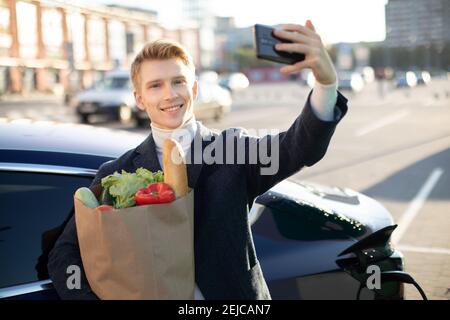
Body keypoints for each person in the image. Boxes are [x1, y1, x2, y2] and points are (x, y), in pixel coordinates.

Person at [48, 20, 348, 299]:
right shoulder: (116, 174)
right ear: (139, 98)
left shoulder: (235, 149)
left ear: (193, 89)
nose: (170, 94)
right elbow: (65, 255)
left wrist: (325, 83)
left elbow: (300, 147)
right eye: (155, 85)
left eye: (178, 82)